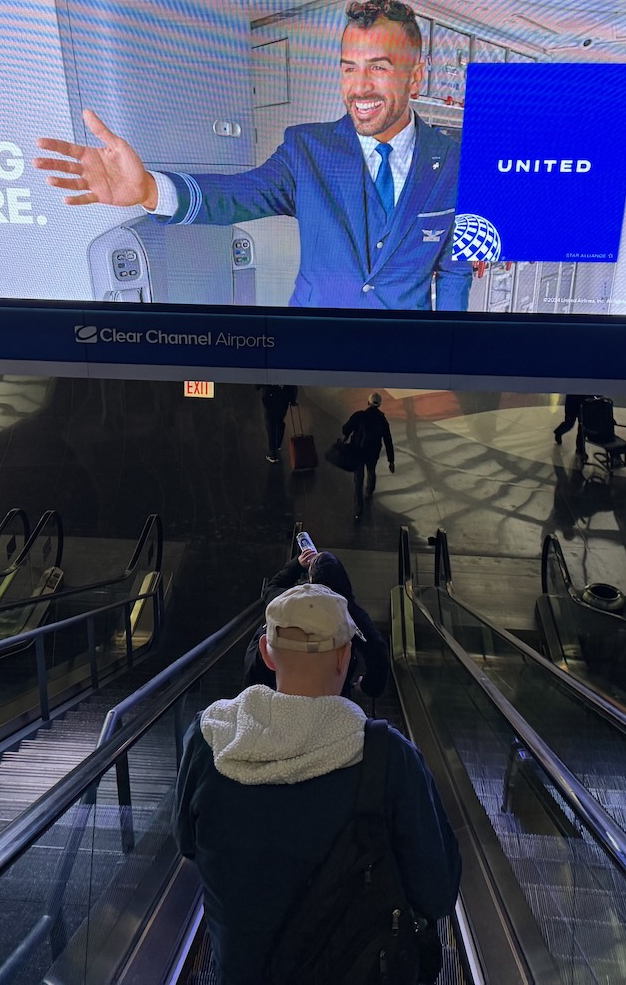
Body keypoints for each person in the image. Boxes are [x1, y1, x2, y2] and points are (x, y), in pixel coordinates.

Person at [34, 0, 473, 313]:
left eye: (378, 67)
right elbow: (236, 195)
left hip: (401, 354)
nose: (359, 88)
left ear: (415, 78)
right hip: (313, 350)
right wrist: (150, 189)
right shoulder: (308, 150)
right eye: (348, 68)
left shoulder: (454, 161)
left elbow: (454, 270)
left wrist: (443, 354)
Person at [176, 585, 462, 985]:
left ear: (266, 652)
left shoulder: (209, 740)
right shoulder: (388, 758)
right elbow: (436, 891)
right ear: (345, 656)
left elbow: (188, 845)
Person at [245, 544, 390, 701]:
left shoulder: (290, 603)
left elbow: (271, 588)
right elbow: (377, 649)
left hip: (272, 687)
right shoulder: (350, 613)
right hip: (330, 692)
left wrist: (297, 565)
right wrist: (370, 687)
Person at [343, 392, 395, 521]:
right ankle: (370, 491)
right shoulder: (382, 420)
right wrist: (391, 460)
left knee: (358, 481)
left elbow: (346, 429)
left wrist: (348, 434)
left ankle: (358, 511)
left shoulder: (360, 416)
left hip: (358, 452)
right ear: (380, 404)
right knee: (371, 471)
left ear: (368, 402)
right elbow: (388, 440)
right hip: (373, 453)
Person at [255, 384, 298, 464]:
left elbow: (258, 385)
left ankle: (273, 454)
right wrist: (293, 400)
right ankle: (278, 444)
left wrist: (258, 386)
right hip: (284, 397)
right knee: (279, 421)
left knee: (271, 426)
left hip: (269, 397)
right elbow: (292, 384)